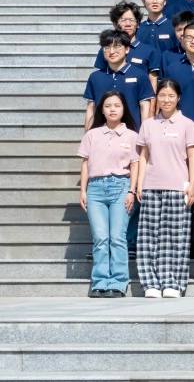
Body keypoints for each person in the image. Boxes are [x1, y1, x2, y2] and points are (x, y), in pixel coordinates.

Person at [134, 79, 194, 299]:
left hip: (178, 186)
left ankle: (173, 283)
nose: (166, 100)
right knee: (148, 237)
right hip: (151, 185)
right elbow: (143, 156)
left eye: (171, 96)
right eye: (162, 95)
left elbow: (192, 157)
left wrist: (192, 185)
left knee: (176, 237)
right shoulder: (148, 124)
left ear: (178, 98)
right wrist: (139, 183)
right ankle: (150, 282)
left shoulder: (187, 124)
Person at [79, 91, 138, 297]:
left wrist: (132, 191)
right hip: (95, 189)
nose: (112, 109)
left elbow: (135, 165)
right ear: (101, 110)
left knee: (117, 237)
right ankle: (100, 281)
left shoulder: (132, 136)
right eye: (108, 106)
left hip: (121, 186)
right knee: (100, 237)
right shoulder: (91, 135)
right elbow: (85, 163)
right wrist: (83, 190)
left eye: (117, 105)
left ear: (124, 109)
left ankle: (118, 282)